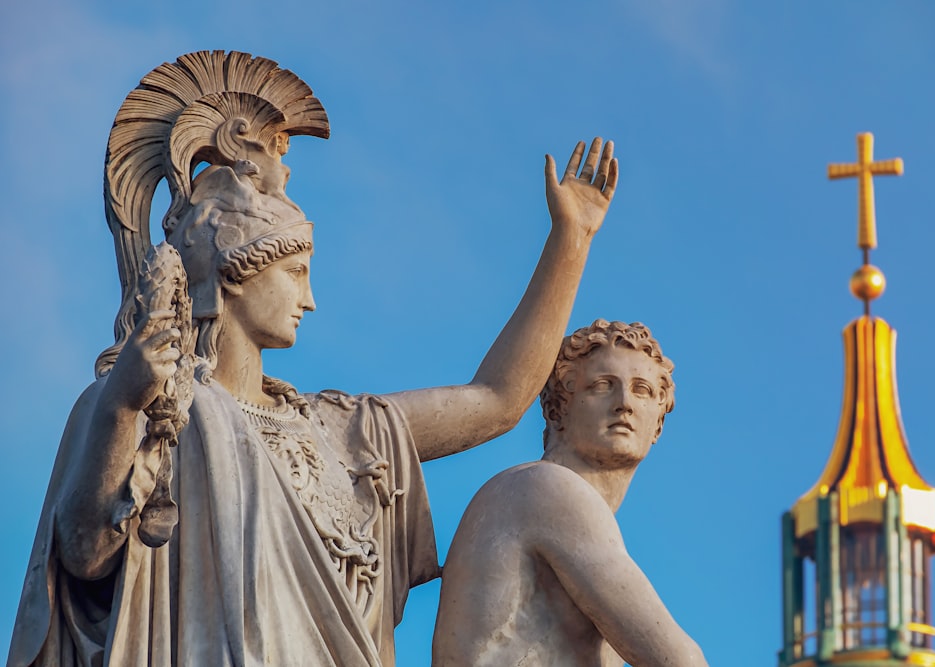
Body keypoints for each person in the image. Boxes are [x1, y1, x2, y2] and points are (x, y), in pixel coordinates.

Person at [8, 51, 618, 667]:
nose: (310, 298)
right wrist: (121, 407)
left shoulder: (340, 431)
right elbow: (83, 553)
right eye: (296, 272)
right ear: (234, 273)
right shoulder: (145, 403)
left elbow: (497, 400)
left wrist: (571, 242)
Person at [432, 320, 708, 667]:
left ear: (658, 424)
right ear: (557, 409)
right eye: (602, 386)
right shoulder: (546, 488)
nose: (624, 403)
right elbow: (678, 660)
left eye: (642, 390)